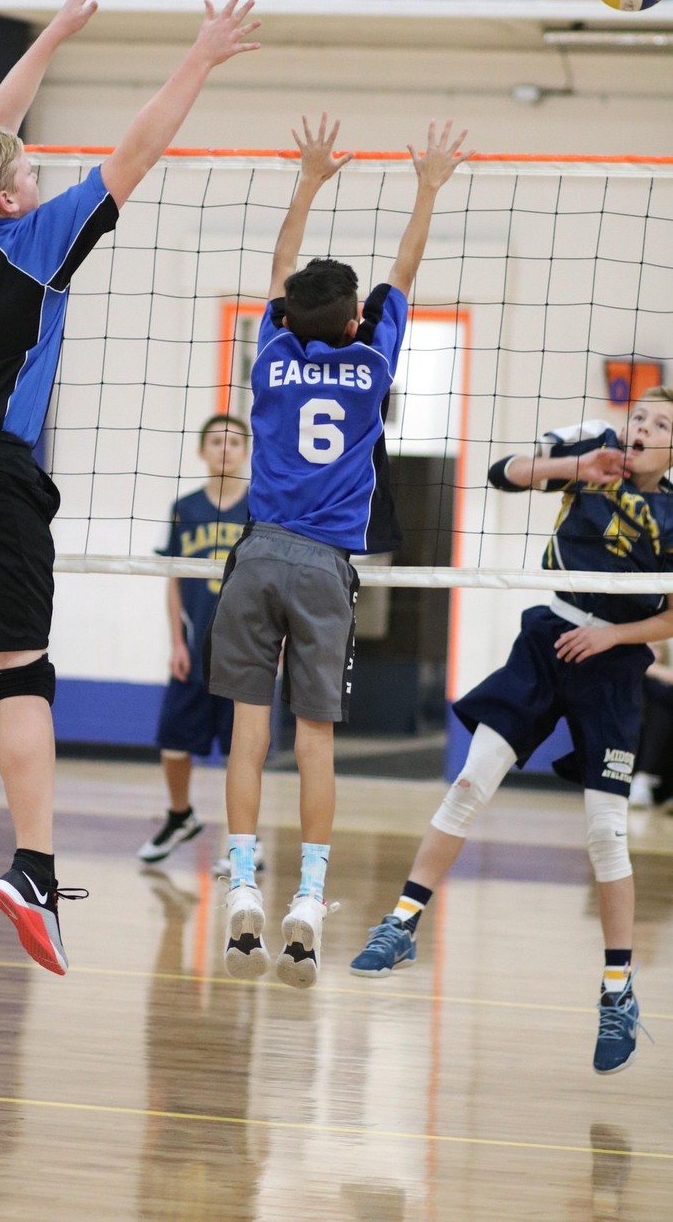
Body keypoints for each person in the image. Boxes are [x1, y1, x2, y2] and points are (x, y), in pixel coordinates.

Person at [0, 0, 260, 975]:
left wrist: (51, 32)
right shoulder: (35, 241)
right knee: (21, 676)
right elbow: (139, 147)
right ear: (10, 197)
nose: (40, 175)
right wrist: (199, 57)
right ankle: (32, 869)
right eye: (30, 172)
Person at [206, 115, 470, 988]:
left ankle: (242, 881)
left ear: (288, 317)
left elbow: (281, 269)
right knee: (313, 741)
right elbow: (404, 271)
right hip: (325, 568)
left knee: (250, 733)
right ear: (359, 320)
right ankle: (308, 901)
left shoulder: (272, 355)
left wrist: (310, 178)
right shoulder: (375, 364)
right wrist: (427, 186)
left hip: (256, 558)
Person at [350, 388, 673, 1074]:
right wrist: (575, 469)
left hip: (612, 662)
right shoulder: (593, 448)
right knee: (470, 780)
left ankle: (617, 990)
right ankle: (402, 921)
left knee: (604, 832)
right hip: (547, 638)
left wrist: (614, 633)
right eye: (640, 416)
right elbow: (502, 473)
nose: (642, 428)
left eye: (660, 424)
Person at [136, 413, 255, 866]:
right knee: (172, 741)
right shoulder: (184, 508)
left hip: (245, 651)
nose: (225, 449)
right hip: (195, 647)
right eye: (216, 441)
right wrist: (176, 643)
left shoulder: (259, 506)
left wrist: (277, 642)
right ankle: (180, 815)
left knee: (242, 752)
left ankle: (244, 841)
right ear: (202, 451)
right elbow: (172, 578)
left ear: (246, 452)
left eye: (234, 442)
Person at [629, 638, 673, 807]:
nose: (653, 654)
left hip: (662, 766)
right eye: (651, 648)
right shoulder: (632, 675)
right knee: (659, 709)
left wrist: (652, 669)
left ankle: (646, 780)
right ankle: (642, 779)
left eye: (658, 649)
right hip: (632, 754)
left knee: (663, 709)